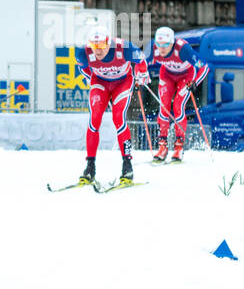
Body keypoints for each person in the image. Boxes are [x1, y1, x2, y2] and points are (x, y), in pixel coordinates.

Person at [75, 25, 149, 185]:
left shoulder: (124, 48)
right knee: (94, 119)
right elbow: (84, 70)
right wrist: (93, 79)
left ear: (109, 42)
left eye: (101, 45)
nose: (98, 49)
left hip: (122, 83)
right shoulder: (83, 52)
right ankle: (90, 167)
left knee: (118, 119)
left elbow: (141, 60)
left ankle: (127, 165)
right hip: (100, 83)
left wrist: (141, 75)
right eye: (94, 46)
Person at [148, 26, 209, 163]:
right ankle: (162, 147)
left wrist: (195, 82)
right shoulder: (153, 48)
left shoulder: (182, 49)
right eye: (159, 44)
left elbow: (204, 66)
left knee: (177, 106)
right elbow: (142, 63)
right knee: (163, 108)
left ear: (172, 43)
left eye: (165, 45)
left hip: (186, 77)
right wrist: (138, 76)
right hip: (167, 76)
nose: (161, 48)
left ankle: (178, 147)